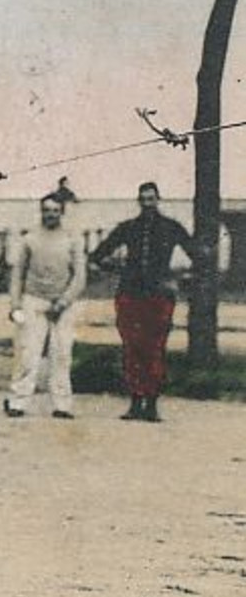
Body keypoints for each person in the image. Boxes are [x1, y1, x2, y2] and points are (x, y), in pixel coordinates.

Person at [90, 181, 205, 423]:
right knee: (132, 348)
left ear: (158, 200)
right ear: (138, 201)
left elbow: (197, 257)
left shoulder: (171, 228)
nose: (147, 204)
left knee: (155, 348)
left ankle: (151, 403)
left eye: (151, 199)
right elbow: (98, 254)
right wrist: (117, 268)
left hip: (159, 296)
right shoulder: (128, 228)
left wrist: (179, 279)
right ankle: (135, 401)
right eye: (143, 199)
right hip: (130, 295)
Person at [4, 195, 86, 420]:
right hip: (34, 301)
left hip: (63, 305)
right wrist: (15, 305)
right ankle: (17, 401)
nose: (51, 214)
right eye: (46, 210)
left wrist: (62, 303)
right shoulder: (30, 239)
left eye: (55, 210)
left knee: (61, 354)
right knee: (28, 353)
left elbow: (79, 277)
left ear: (62, 212)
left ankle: (62, 404)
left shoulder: (73, 239)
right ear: (41, 211)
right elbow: (17, 275)